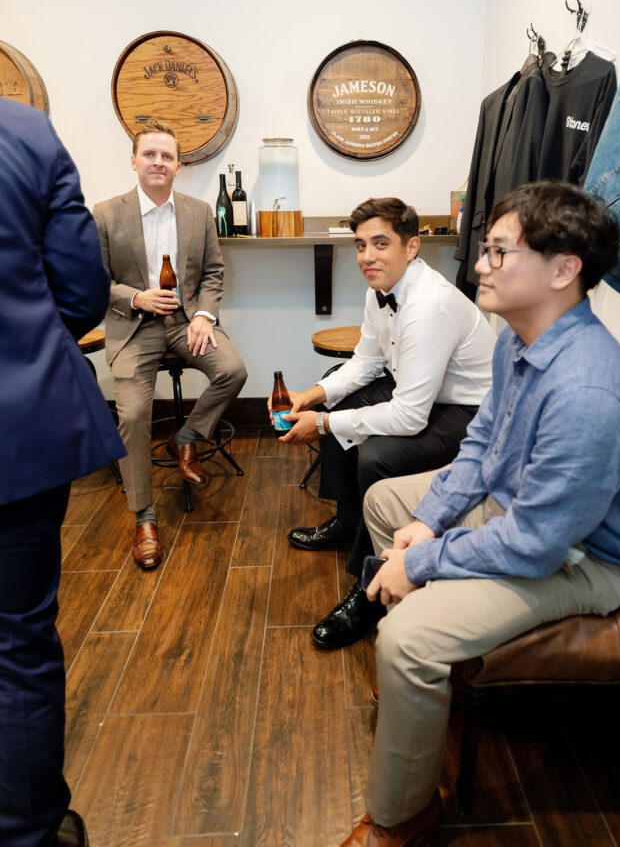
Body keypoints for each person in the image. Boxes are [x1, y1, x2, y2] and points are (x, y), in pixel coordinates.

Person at [339, 180, 620, 847]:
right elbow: (483, 446)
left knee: (407, 640)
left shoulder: (587, 388)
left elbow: (538, 546)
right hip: (524, 516)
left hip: (585, 559)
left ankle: (401, 818)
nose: (481, 264)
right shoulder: (517, 338)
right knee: (386, 500)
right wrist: (429, 521)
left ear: (563, 268)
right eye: (484, 250)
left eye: (498, 252)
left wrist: (421, 560)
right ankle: (427, 695)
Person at [273, 197, 495, 648]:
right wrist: (310, 398)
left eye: (379, 243)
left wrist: (320, 424)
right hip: (424, 394)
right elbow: (364, 364)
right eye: (359, 246)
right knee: (336, 389)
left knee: (375, 455)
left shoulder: (427, 304)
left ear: (411, 247)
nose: (367, 257)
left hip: (471, 411)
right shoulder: (379, 288)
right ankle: (348, 521)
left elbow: (410, 416)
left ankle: (368, 589)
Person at [0, 98, 125, 847]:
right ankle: (27, 834)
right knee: (16, 646)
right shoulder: (23, 131)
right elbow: (82, 291)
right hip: (16, 433)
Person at [93, 119, 247, 570]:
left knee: (233, 370)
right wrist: (135, 297)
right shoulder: (105, 213)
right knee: (136, 415)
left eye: (167, 156)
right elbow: (93, 281)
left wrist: (203, 314)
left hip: (186, 321)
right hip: (134, 326)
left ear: (179, 165)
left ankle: (187, 437)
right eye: (150, 154)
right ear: (134, 161)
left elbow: (215, 274)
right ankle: (143, 517)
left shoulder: (198, 212)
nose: (158, 162)